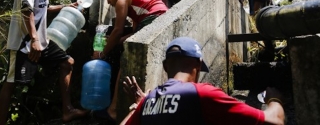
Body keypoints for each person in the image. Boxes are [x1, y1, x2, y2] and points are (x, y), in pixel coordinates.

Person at [0, 0, 87, 125]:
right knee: (11, 81)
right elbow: (26, 8)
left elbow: (42, 8)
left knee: (67, 62)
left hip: (39, 40)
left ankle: (67, 111)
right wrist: (34, 39)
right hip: (25, 41)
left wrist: (65, 6)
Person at [121, 37, 285, 125]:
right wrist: (274, 100)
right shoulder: (202, 94)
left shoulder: (147, 102)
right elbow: (274, 121)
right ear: (198, 64)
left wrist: (139, 106)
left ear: (165, 66)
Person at [92, 0, 168, 121]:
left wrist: (102, 54)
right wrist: (116, 41)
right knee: (124, 51)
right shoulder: (135, 5)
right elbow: (133, 33)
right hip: (160, 19)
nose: (108, 3)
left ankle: (113, 109)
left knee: (126, 60)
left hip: (155, 17)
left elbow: (117, 30)